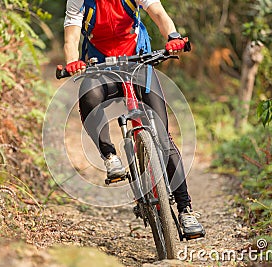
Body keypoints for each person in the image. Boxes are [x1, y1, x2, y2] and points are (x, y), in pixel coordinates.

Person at [63, 0, 205, 239]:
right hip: (100, 66)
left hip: (138, 61)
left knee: (163, 139)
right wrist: (72, 62)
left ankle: (185, 209)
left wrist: (172, 36)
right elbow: (71, 37)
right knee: (88, 98)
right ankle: (109, 156)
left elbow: (158, 13)